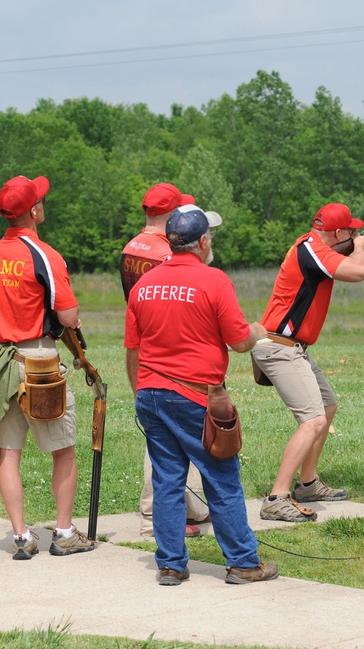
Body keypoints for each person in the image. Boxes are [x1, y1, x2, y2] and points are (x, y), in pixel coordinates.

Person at [125, 204, 278, 585]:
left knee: (167, 481)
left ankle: (171, 565)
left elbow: (133, 349)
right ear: (203, 241)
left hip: (150, 393)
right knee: (222, 478)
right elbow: (239, 341)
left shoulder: (144, 284)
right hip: (195, 397)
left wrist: (141, 391)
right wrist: (257, 331)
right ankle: (243, 562)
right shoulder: (214, 280)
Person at [253, 203, 364, 522]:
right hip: (279, 347)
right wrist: (359, 244)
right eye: (351, 230)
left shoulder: (317, 248)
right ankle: (277, 497)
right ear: (339, 233)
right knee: (312, 420)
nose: (356, 233)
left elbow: (361, 249)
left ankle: (309, 483)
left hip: (292, 347)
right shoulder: (312, 251)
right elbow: (358, 270)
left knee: (326, 407)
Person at [0, 174, 95, 560]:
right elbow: (68, 313)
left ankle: (21, 536)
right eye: (40, 200)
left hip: (0, 361)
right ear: (33, 211)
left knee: (10, 453)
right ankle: (63, 533)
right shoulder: (44, 253)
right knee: (62, 449)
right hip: (39, 361)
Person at [120, 183, 210, 539]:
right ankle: (154, 518)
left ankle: (188, 510)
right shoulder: (165, 254)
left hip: (143, 346)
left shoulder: (132, 247)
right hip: (170, 354)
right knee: (168, 443)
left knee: (165, 437)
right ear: (170, 214)